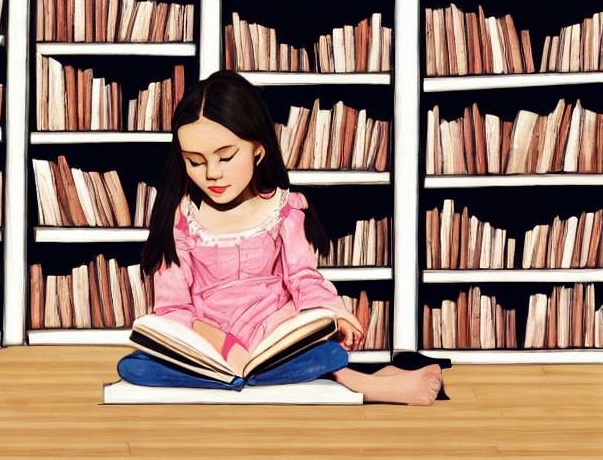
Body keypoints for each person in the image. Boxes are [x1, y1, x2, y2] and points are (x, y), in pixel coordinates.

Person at [117, 71, 446, 405]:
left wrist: (334, 312)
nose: (212, 173)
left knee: (325, 353)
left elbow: (303, 277)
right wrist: (224, 345)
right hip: (208, 342)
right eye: (195, 162)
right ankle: (325, 378)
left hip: (273, 336)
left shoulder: (284, 209)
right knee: (135, 367)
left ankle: (341, 379)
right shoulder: (181, 219)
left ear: (258, 150)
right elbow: (172, 308)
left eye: (226, 157)